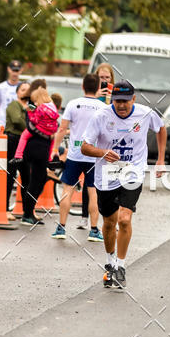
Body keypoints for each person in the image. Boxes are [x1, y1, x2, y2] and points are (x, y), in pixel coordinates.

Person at [81, 80, 166, 289]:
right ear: (112, 100)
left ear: (133, 99)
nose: (121, 105)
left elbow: (161, 128)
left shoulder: (145, 113)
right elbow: (85, 147)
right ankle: (110, 262)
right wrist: (102, 152)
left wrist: (161, 159)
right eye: (117, 101)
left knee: (124, 219)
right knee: (109, 223)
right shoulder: (101, 116)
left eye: (125, 101)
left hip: (132, 171)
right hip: (106, 175)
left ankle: (120, 266)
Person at [51, 73, 104, 242]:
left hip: (75, 154)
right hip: (93, 155)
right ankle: (94, 230)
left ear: (82, 86)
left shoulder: (73, 104)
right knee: (93, 192)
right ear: (98, 88)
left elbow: (62, 129)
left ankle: (61, 228)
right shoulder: (103, 107)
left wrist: (55, 149)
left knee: (67, 190)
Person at [14, 87, 59, 226]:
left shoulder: (36, 111)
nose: (33, 103)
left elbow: (30, 127)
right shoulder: (51, 112)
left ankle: (28, 212)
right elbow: (53, 132)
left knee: (35, 181)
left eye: (34, 100)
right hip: (40, 149)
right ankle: (27, 214)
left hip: (32, 148)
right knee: (36, 182)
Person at [4, 82, 30, 217]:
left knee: (26, 176)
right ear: (17, 92)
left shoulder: (31, 107)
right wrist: (32, 129)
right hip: (13, 140)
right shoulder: (14, 105)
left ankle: (27, 211)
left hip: (25, 143)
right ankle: (5, 209)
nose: (26, 92)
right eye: (23, 89)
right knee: (10, 174)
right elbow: (17, 120)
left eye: (28, 90)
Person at [0, 60, 23, 140]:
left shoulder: (24, 88)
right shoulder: (1, 87)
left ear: (21, 70)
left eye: (17, 71)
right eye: (13, 70)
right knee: (1, 148)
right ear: (8, 69)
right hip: (2, 127)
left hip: (18, 129)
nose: (15, 73)